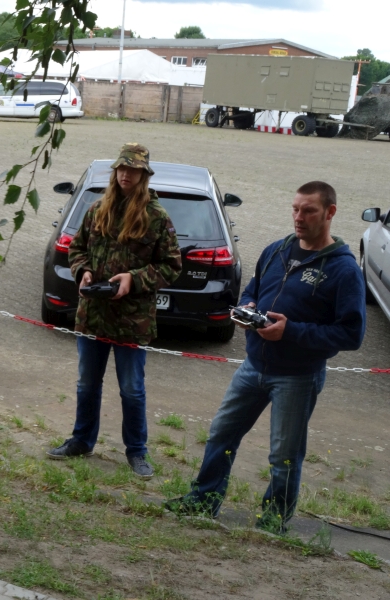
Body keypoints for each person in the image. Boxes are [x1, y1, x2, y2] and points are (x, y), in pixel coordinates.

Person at [166, 181, 366, 529]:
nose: (298, 217)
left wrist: (291, 331)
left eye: (309, 211)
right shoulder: (277, 250)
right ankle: (203, 501)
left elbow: (351, 334)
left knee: (284, 456)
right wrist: (247, 308)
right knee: (221, 435)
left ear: (330, 213)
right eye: (295, 209)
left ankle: (273, 521)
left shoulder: (344, 270)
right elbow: (253, 290)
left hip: (297, 376)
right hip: (253, 367)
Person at [47, 143, 182, 478]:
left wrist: (132, 280)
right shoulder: (97, 209)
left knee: (132, 389)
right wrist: (84, 272)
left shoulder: (156, 217)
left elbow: (171, 266)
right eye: (121, 169)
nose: (125, 175)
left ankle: (137, 452)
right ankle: (81, 440)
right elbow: (76, 248)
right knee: (87, 385)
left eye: (133, 170)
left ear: (143, 175)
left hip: (131, 321)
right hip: (93, 315)